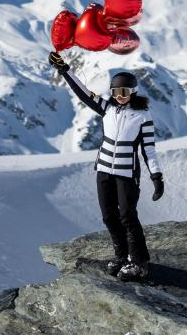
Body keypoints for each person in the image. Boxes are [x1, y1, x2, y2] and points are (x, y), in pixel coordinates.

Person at [48, 51, 164, 281]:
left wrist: (157, 176)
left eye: (125, 92)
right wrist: (65, 70)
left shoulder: (142, 116)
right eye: (116, 92)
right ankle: (122, 256)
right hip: (104, 170)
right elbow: (82, 93)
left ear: (133, 92)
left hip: (126, 173)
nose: (120, 96)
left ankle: (139, 263)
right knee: (109, 216)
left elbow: (148, 149)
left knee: (128, 216)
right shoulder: (107, 109)